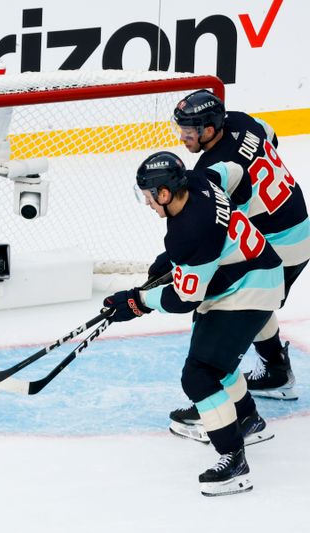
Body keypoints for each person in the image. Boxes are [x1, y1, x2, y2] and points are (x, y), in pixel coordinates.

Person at [103, 151, 284, 496]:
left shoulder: (190, 233)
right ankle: (246, 419)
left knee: (200, 373)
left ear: (165, 193)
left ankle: (233, 460)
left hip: (248, 289)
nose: (147, 203)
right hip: (252, 271)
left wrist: (137, 302)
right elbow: (234, 171)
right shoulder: (201, 179)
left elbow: (184, 298)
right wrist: (173, 261)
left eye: (148, 195)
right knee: (216, 358)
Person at [167, 89, 309, 401]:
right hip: (297, 227)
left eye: (188, 131)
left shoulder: (212, 168)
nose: (182, 137)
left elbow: (212, 226)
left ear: (208, 130)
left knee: (222, 308)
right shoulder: (243, 121)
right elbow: (270, 139)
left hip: (280, 244)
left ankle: (219, 397)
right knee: (256, 300)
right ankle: (275, 371)